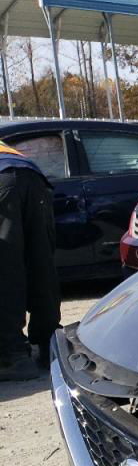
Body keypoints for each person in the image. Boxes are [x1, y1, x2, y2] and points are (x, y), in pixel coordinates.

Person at [0, 139, 59, 381]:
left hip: (3, 181)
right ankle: (49, 347)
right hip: (33, 177)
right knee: (40, 265)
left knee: (6, 270)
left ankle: (12, 356)